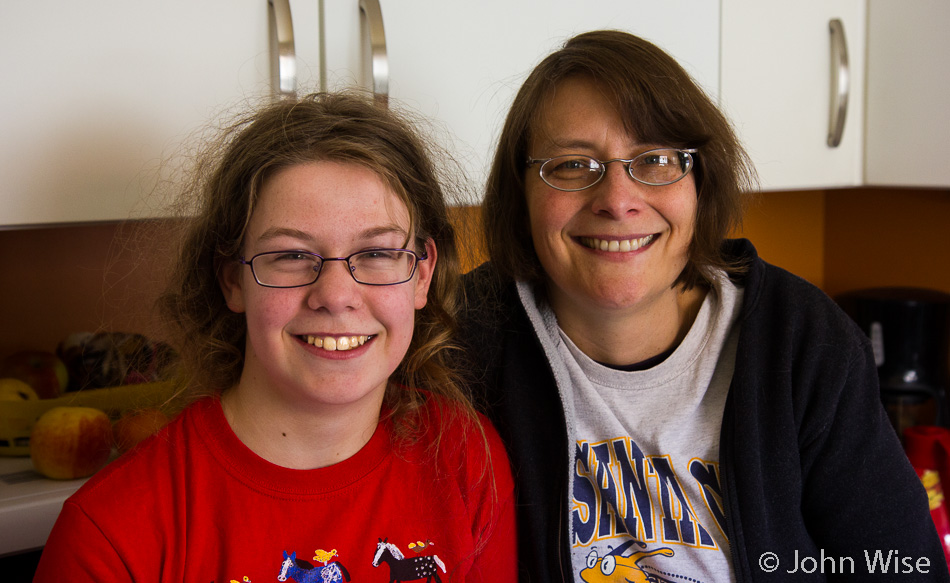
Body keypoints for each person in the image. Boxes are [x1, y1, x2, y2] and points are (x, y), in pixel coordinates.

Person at [457, 30, 948, 582]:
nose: (618, 201)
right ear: (519, 192)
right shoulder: (461, 344)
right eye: (573, 165)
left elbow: (901, 566)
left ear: (701, 182)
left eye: (657, 159)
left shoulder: (802, 340)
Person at [34, 92, 516, 582]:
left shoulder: (464, 457)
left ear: (421, 274)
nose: (335, 295)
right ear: (231, 280)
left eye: (376, 253)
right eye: (290, 256)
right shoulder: (108, 535)